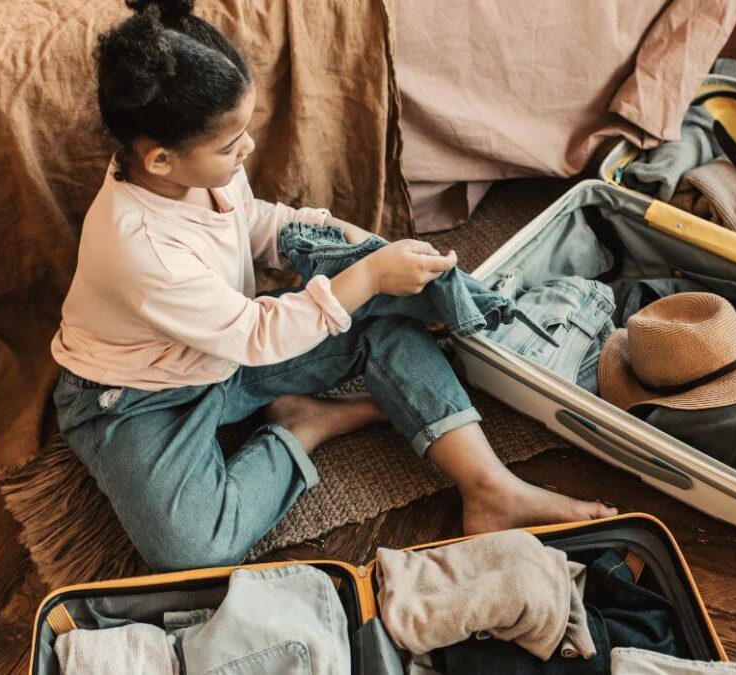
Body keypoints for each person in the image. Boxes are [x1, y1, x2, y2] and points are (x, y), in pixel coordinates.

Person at [50, 0, 614, 570]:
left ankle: (490, 486)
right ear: (161, 160)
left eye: (244, 132)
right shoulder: (141, 248)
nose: (245, 149)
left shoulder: (195, 173)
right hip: (140, 395)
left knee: (386, 320)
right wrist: (366, 275)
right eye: (230, 145)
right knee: (191, 546)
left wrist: (344, 244)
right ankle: (302, 427)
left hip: (222, 351)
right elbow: (257, 335)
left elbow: (252, 222)